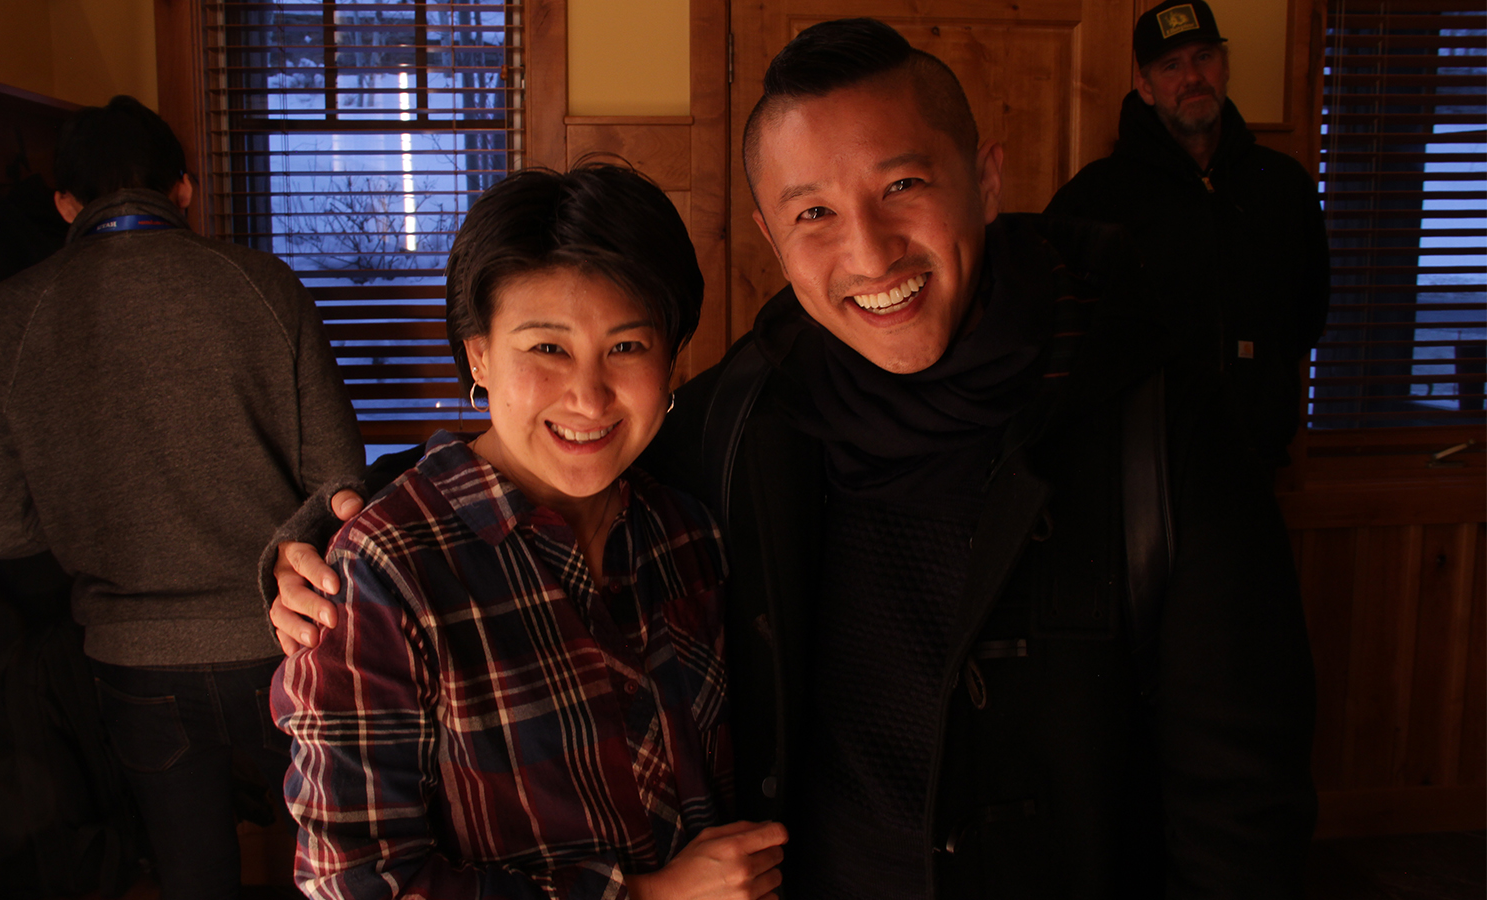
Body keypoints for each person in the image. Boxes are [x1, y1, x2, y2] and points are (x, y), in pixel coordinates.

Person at [269, 20, 1317, 898]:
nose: (868, 251)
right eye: (815, 211)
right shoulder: (752, 416)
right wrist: (337, 532)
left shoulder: (1151, 422)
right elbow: (547, 457)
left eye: (903, 184)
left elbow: (1244, 801)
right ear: (772, 232)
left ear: (986, 179)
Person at [269, 164, 787, 899]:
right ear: (479, 354)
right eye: (547, 348)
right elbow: (356, 880)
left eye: (628, 348)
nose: (589, 395)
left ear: (672, 359)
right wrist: (647, 895)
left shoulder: (686, 531)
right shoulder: (382, 573)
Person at [0, 95, 365, 900]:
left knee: (192, 875)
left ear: (65, 204)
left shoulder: (6, 318)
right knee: (332, 870)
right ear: (183, 189)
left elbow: (7, 527)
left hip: (127, 657)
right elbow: (341, 481)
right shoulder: (264, 283)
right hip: (283, 641)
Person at [1046, 0, 1330, 470]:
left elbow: (1306, 314)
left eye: (1204, 57)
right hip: (1136, 467)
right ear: (1146, 86)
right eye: (1171, 66)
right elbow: (1055, 324)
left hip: (1255, 460)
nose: (1192, 77)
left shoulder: (1282, 184)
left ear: (1224, 67)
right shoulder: (1096, 196)